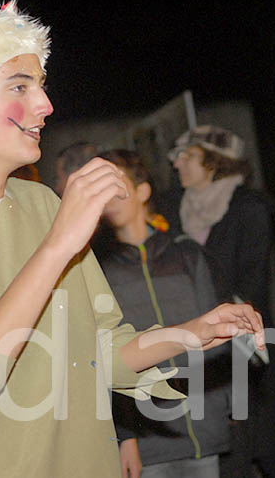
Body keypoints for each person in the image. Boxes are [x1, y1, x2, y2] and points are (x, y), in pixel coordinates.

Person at [0, 0, 264, 478]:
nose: (45, 104)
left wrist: (189, 333)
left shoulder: (43, 206)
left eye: (40, 85)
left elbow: (99, 353)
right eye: (19, 85)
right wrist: (56, 246)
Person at [159, 125, 275, 478]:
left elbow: (252, 282)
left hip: (244, 345)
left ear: (213, 162)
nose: (177, 164)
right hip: (195, 347)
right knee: (222, 457)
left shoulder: (247, 207)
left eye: (187, 156)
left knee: (272, 451)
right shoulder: (169, 208)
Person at [96, 148, 231, 478]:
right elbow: (103, 356)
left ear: (142, 191)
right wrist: (124, 437)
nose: (110, 197)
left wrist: (227, 404)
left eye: (118, 184)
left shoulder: (186, 254)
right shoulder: (98, 269)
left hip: (202, 424)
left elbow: (219, 335)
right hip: (147, 437)